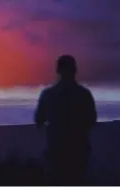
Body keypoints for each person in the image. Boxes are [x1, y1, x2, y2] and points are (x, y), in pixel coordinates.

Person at [34, 55, 97, 185]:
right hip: (78, 150)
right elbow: (92, 119)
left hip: (56, 151)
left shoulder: (48, 94)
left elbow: (39, 120)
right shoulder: (84, 94)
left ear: (58, 70)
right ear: (75, 70)